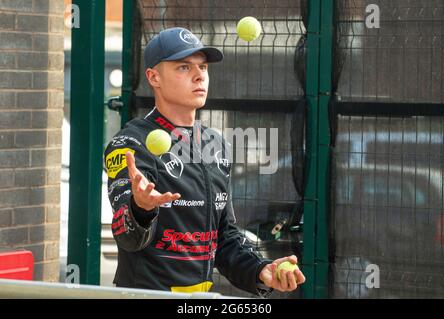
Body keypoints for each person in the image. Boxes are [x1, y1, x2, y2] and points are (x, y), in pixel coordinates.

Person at [104, 27, 306, 297]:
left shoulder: (216, 144)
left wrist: (260, 270)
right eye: (184, 67)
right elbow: (126, 236)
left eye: (203, 67)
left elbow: (224, 238)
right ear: (154, 77)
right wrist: (140, 210)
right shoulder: (130, 143)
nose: (199, 75)